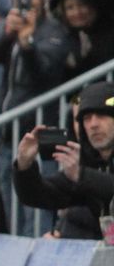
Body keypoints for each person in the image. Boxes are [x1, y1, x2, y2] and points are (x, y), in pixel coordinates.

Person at [13, 80, 114, 240]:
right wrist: (24, 165)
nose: (93, 124)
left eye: (101, 115)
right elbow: (40, 195)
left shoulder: (81, 171)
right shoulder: (86, 164)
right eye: (86, 118)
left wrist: (82, 176)